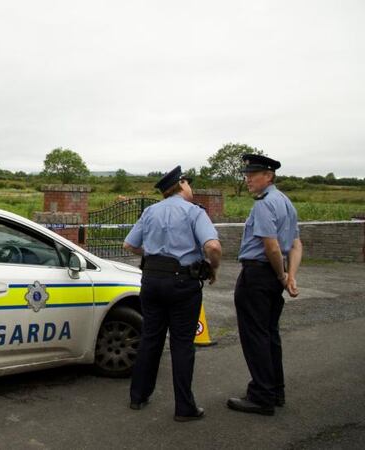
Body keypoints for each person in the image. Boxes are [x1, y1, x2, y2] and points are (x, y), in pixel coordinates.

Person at [123, 166, 222, 422]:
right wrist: (212, 267)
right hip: (182, 284)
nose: (192, 188)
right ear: (181, 185)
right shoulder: (194, 212)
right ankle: (184, 408)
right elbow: (212, 245)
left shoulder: (150, 211)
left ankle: (138, 396)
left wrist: (155, 258)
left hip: (152, 281)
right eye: (189, 183)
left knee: (150, 338)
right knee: (181, 344)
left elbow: (129, 244)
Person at [227, 154, 302, 416]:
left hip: (258, 275)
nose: (247, 179)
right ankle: (275, 389)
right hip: (273, 277)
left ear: (268, 176)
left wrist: (283, 275)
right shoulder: (286, 202)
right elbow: (294, 244)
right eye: (247, 174)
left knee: (255, 335)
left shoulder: (264, 204)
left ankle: (261, 396)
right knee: (270, 334)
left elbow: (271, 246)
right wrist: (289, 276)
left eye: (252, 174)